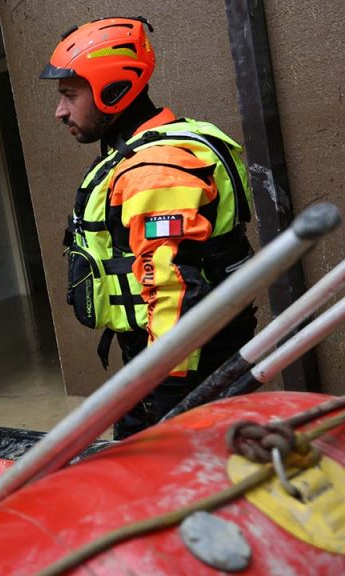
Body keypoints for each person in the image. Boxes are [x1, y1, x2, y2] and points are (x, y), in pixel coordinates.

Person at [40, 16, 257, 439]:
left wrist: (167, 391)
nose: (59, 111)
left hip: (182, 368)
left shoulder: (154, 171)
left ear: (112, 88)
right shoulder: (150, 149)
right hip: (186, 354)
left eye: (69, 95)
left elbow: (175, 289)